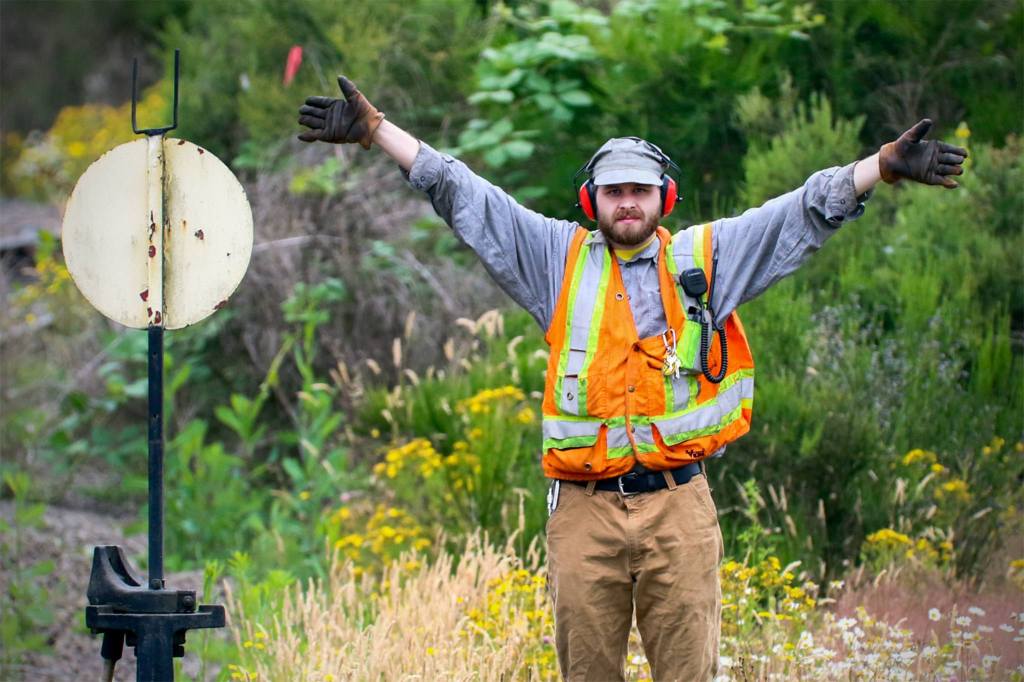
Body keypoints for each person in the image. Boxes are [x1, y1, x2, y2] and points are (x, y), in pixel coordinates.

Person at [297, 76, 967, 681]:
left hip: (680, 509)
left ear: (662, 198)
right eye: (614, 192)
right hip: (583, 513)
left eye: (638, 191)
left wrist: (878, 168)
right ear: (594, 200)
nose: (626, 204)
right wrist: (375, 130)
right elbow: (464, 195)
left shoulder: (707, 258)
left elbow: (797, 215)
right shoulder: (553, 259)